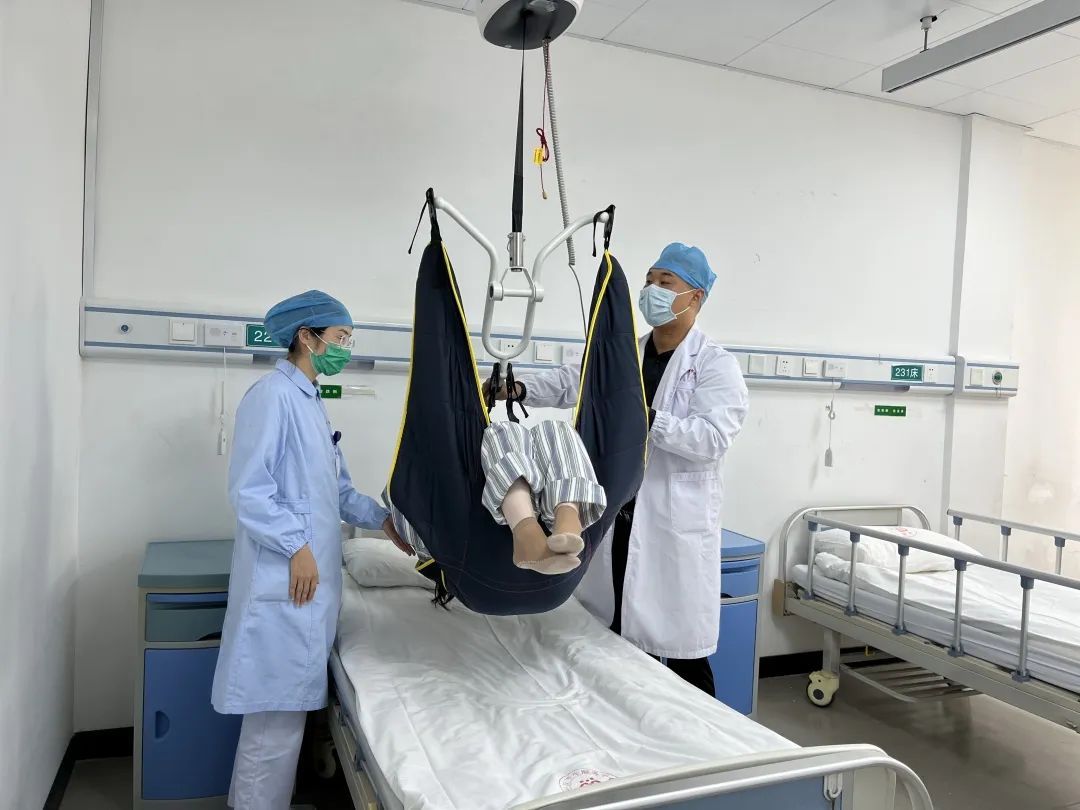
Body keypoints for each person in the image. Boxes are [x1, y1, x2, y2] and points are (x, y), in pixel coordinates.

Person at [507, 243, 749, 696]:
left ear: (695, 297)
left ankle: (702, 734)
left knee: (683, 656)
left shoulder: (715, 365)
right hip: (618, 517)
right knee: (615, 633)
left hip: (670, 526)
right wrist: (519, 388)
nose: (651, 290)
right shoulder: (625, 354)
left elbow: (711, 439)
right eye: (649, 280)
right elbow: (572, 382)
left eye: (665, 282)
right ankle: (630, 720)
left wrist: (647, 418)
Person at [211, 290, 409, 810]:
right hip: (283, 581)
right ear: (307, 336)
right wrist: (296, 545)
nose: (345, 348)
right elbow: (250, 490)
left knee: (283, 726)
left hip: (304, 588)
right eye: (340, 338)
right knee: (271, 731)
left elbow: (337, 492)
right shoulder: (271, 396)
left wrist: (384, 520)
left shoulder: (312, 404)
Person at [386, 418, 608, 576]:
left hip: (539, 518)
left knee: (556, 428)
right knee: (502, 431)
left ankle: (567, 520)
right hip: (466, 541)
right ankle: (528, 533)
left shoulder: (403, 488)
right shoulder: (422, 486)